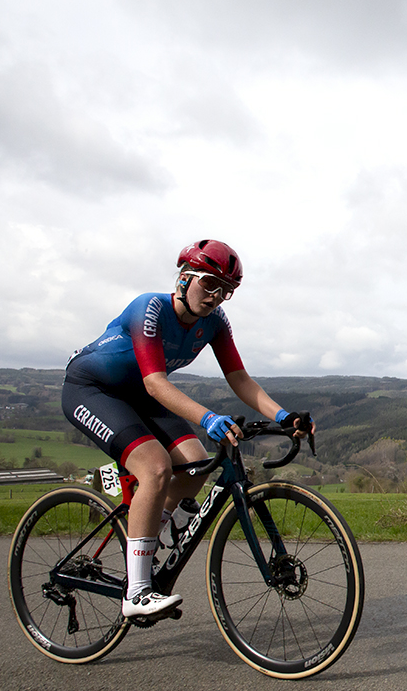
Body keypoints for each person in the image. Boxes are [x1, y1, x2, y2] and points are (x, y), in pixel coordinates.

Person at [62, 240, 314, 618]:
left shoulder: (214, 323)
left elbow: (240, 378)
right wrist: (209, 418)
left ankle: (149, 532)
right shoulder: (149, 308)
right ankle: (138, 592)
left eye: (225, 291)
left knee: (196, 464)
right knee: (155, 467)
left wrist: (283, 416)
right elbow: (156, 384)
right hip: (93, 389)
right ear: (184, 279)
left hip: (141, 394)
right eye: (209, 284)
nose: (215, 297)